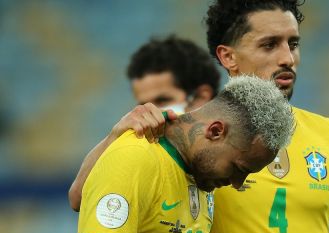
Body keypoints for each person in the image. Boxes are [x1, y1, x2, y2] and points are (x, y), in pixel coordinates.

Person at [199, 1, 329, 233]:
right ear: (228, 57)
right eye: (269, 45)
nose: (288, 58)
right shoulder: (198, 136)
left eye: (293, 44)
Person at [76, 75, 296, 233]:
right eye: (239, 169)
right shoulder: (137, 155)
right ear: (216, 131)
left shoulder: (199, 172)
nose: (238, 183)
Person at [68, 36, 220, 211]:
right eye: (142, 104)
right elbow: (78, 198)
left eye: (162, 100)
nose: (150, 111)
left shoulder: (245, 150)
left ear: (201, 97)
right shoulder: (146, 149)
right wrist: (115, 135)